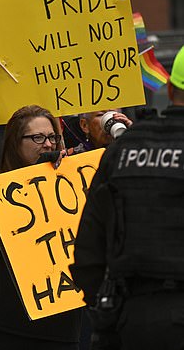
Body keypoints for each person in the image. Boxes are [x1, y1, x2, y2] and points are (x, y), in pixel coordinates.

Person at [70, 46, 184, 349]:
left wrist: (107, 312)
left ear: (170, 88)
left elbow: (87, 249)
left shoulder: (123, 151)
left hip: (134, 317)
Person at [0, 105, 82, 349]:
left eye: (53, 137)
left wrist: (66, 172)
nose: (47, 144)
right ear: (15, 142)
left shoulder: (70, 183)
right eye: (37, 137)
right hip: (2, 321)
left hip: (59, 322)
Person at [63, 110, 133, 152]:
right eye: (101, 114)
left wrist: (134, 133)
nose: (112, 119)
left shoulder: (130, 150)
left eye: (114, 113)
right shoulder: (76, 156)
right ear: (85, 125)